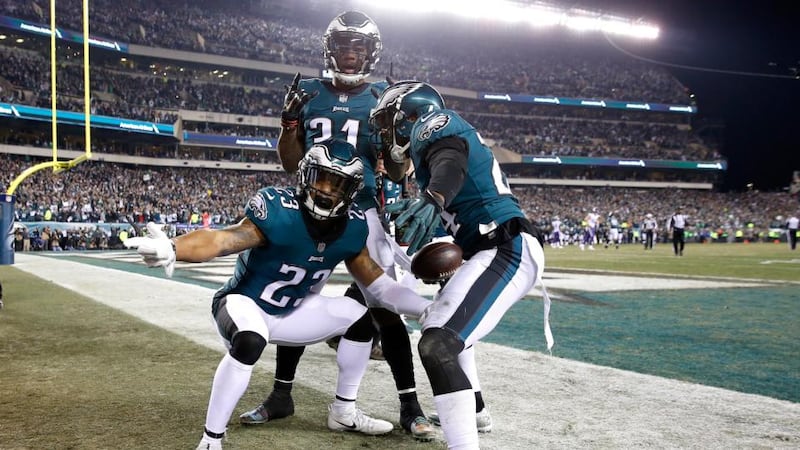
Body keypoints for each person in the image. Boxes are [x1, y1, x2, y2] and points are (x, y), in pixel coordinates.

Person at [124, 140, 433, 450]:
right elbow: (222, 239)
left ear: (351, 191)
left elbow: (379, 286)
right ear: (304, 176)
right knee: (250, 340)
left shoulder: (352, 227)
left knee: (361, 319)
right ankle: (211, 439)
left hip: (293, 311)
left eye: (337, 183)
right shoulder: (278, 210)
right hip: (245, 304)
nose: (326, 190)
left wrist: (426, 309)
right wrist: (174, 248)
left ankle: (343, 411)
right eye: (320, 178)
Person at [247, 10, 434, 440]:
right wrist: (290, 125)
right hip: (310, 206)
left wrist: (396, 145)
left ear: (372, 53)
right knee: (296, 296)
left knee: (383, 308)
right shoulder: (308, 91)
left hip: (363, 209)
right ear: (330, 48)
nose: (351, 55)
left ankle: (410, 405)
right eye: (344, 46)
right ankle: (281, 394)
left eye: (359, 48)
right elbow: (292, 163)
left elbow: (397, 169)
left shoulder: (385, 94)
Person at [372, 81, 550, 449]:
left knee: (437, 343)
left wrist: (434, 196)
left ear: (409, 115)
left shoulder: (436, 125)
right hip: (487, 247)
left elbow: (449, 159)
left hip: (506, 247)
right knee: (446, 321)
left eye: (390, 120)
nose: (387, 131)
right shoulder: (425, 155)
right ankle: (476, 409)